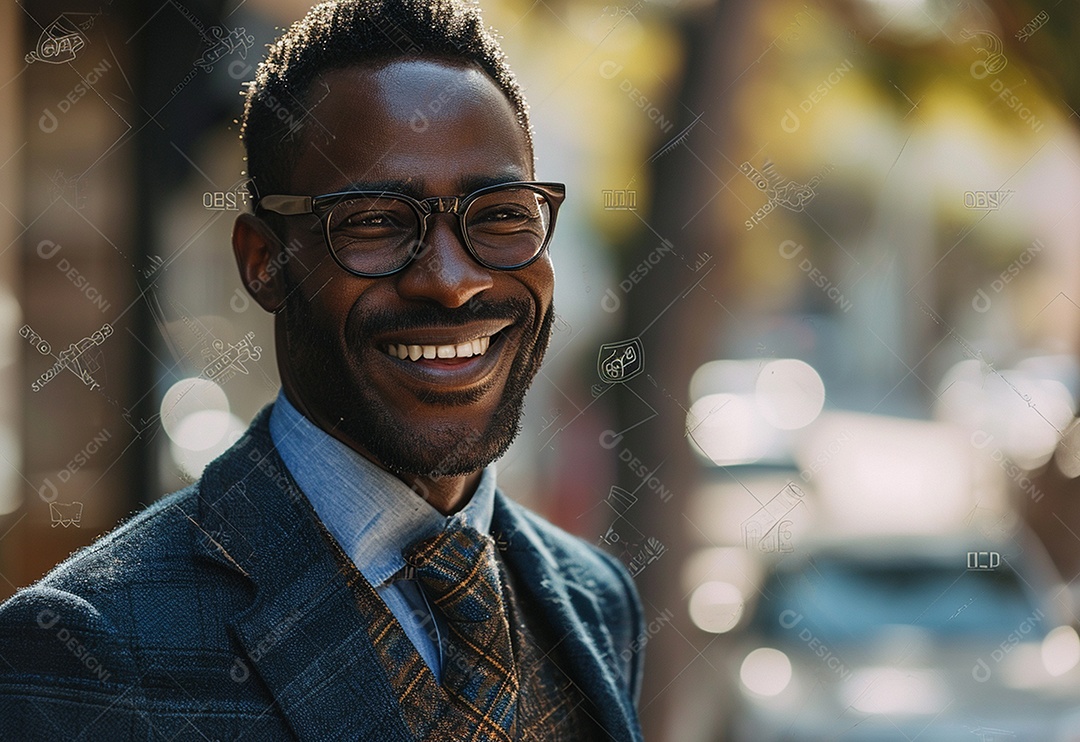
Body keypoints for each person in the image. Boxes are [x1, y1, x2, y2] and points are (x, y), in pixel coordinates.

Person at [0, 1, 646, 739]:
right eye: (373, 220)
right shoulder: (81, 654)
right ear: (263, 262)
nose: (452, 280)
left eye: (500, 214)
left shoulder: (595, 602)